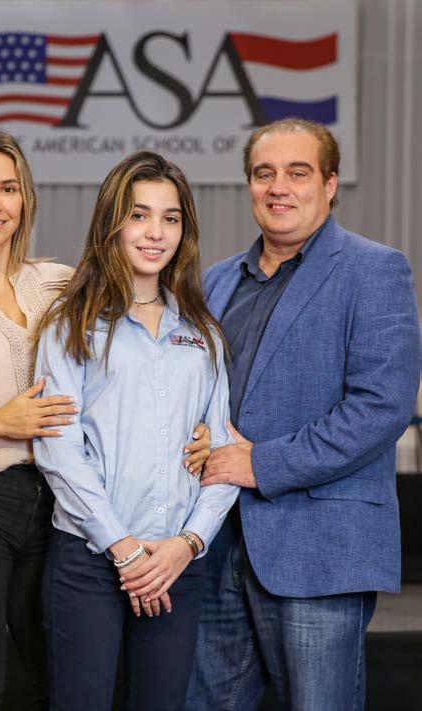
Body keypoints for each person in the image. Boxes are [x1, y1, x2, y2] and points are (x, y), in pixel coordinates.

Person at [0, 129, 210, 711]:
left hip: (54, 506)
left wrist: (192, 427)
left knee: (55, 686)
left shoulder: (57, 282)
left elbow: (131, 363)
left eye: (7, 188)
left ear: (25, 199)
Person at [186, 119, 420, 711]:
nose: (278, 187)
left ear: (330, 183)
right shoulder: (215, 283)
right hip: (215, 544)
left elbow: (380, 407)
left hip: (319, 546)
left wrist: (260, 464)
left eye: (298, 172)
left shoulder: (374, 270)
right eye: (264, 173)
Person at [33, 151, 240, 711]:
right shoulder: (71, 325)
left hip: (176, 565)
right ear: (112, 223)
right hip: (91, 559)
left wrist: (187, 544)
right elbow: (57, 450)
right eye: (139, 215)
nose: (155, 233)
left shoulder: (203, 334)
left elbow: (222, 452)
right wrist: (122, 548)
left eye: (170, 218)